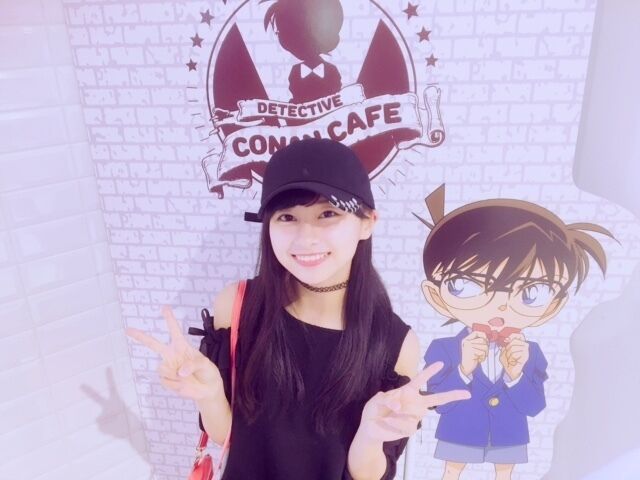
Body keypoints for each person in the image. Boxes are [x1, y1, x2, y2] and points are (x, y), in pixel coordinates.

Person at [126, 140, 470, 480]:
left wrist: (370, 435)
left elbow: (368, 476)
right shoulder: (238, 305)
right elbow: (229, 439)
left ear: (367, 222)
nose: (305, 238)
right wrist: (211, 394)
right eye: (287, 217)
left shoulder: (393, 343)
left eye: (328, 214)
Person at [416, 184, 614, 480]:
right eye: (468, 285)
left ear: (553, 306)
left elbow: (534, 407)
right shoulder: (442, 348)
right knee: (452, 472)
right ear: (436, 295)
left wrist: (516, 375)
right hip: (459, 432)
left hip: (508, 435)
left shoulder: (531, 353)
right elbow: (436, 403)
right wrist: (464, 369)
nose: (501, 304)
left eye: (532, 292)